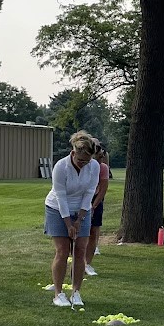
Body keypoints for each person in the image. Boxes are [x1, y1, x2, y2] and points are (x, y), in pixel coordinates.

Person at [43, 131, 100, 307]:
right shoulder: (61, 167)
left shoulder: (94, 166)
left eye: (87, 161)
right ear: (73, 153)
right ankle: (58, 294)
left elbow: (89, 193)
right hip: (56, 208)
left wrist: (79, 220)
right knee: (62, 250)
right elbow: (61, 197)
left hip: (82, 209)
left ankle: (76, 292)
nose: (83, 164)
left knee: (80, 250)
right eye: (80, 160)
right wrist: (69, 224)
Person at [84, 144, 110, 276]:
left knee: (93, 231)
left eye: (102, 156)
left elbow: (103, 189)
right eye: (98, 157)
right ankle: (76, 262)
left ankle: (87, 264)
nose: (101, 159)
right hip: (81, 198)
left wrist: (93, 206)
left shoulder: (103, 168)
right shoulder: (84, 167)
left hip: (95, 199)